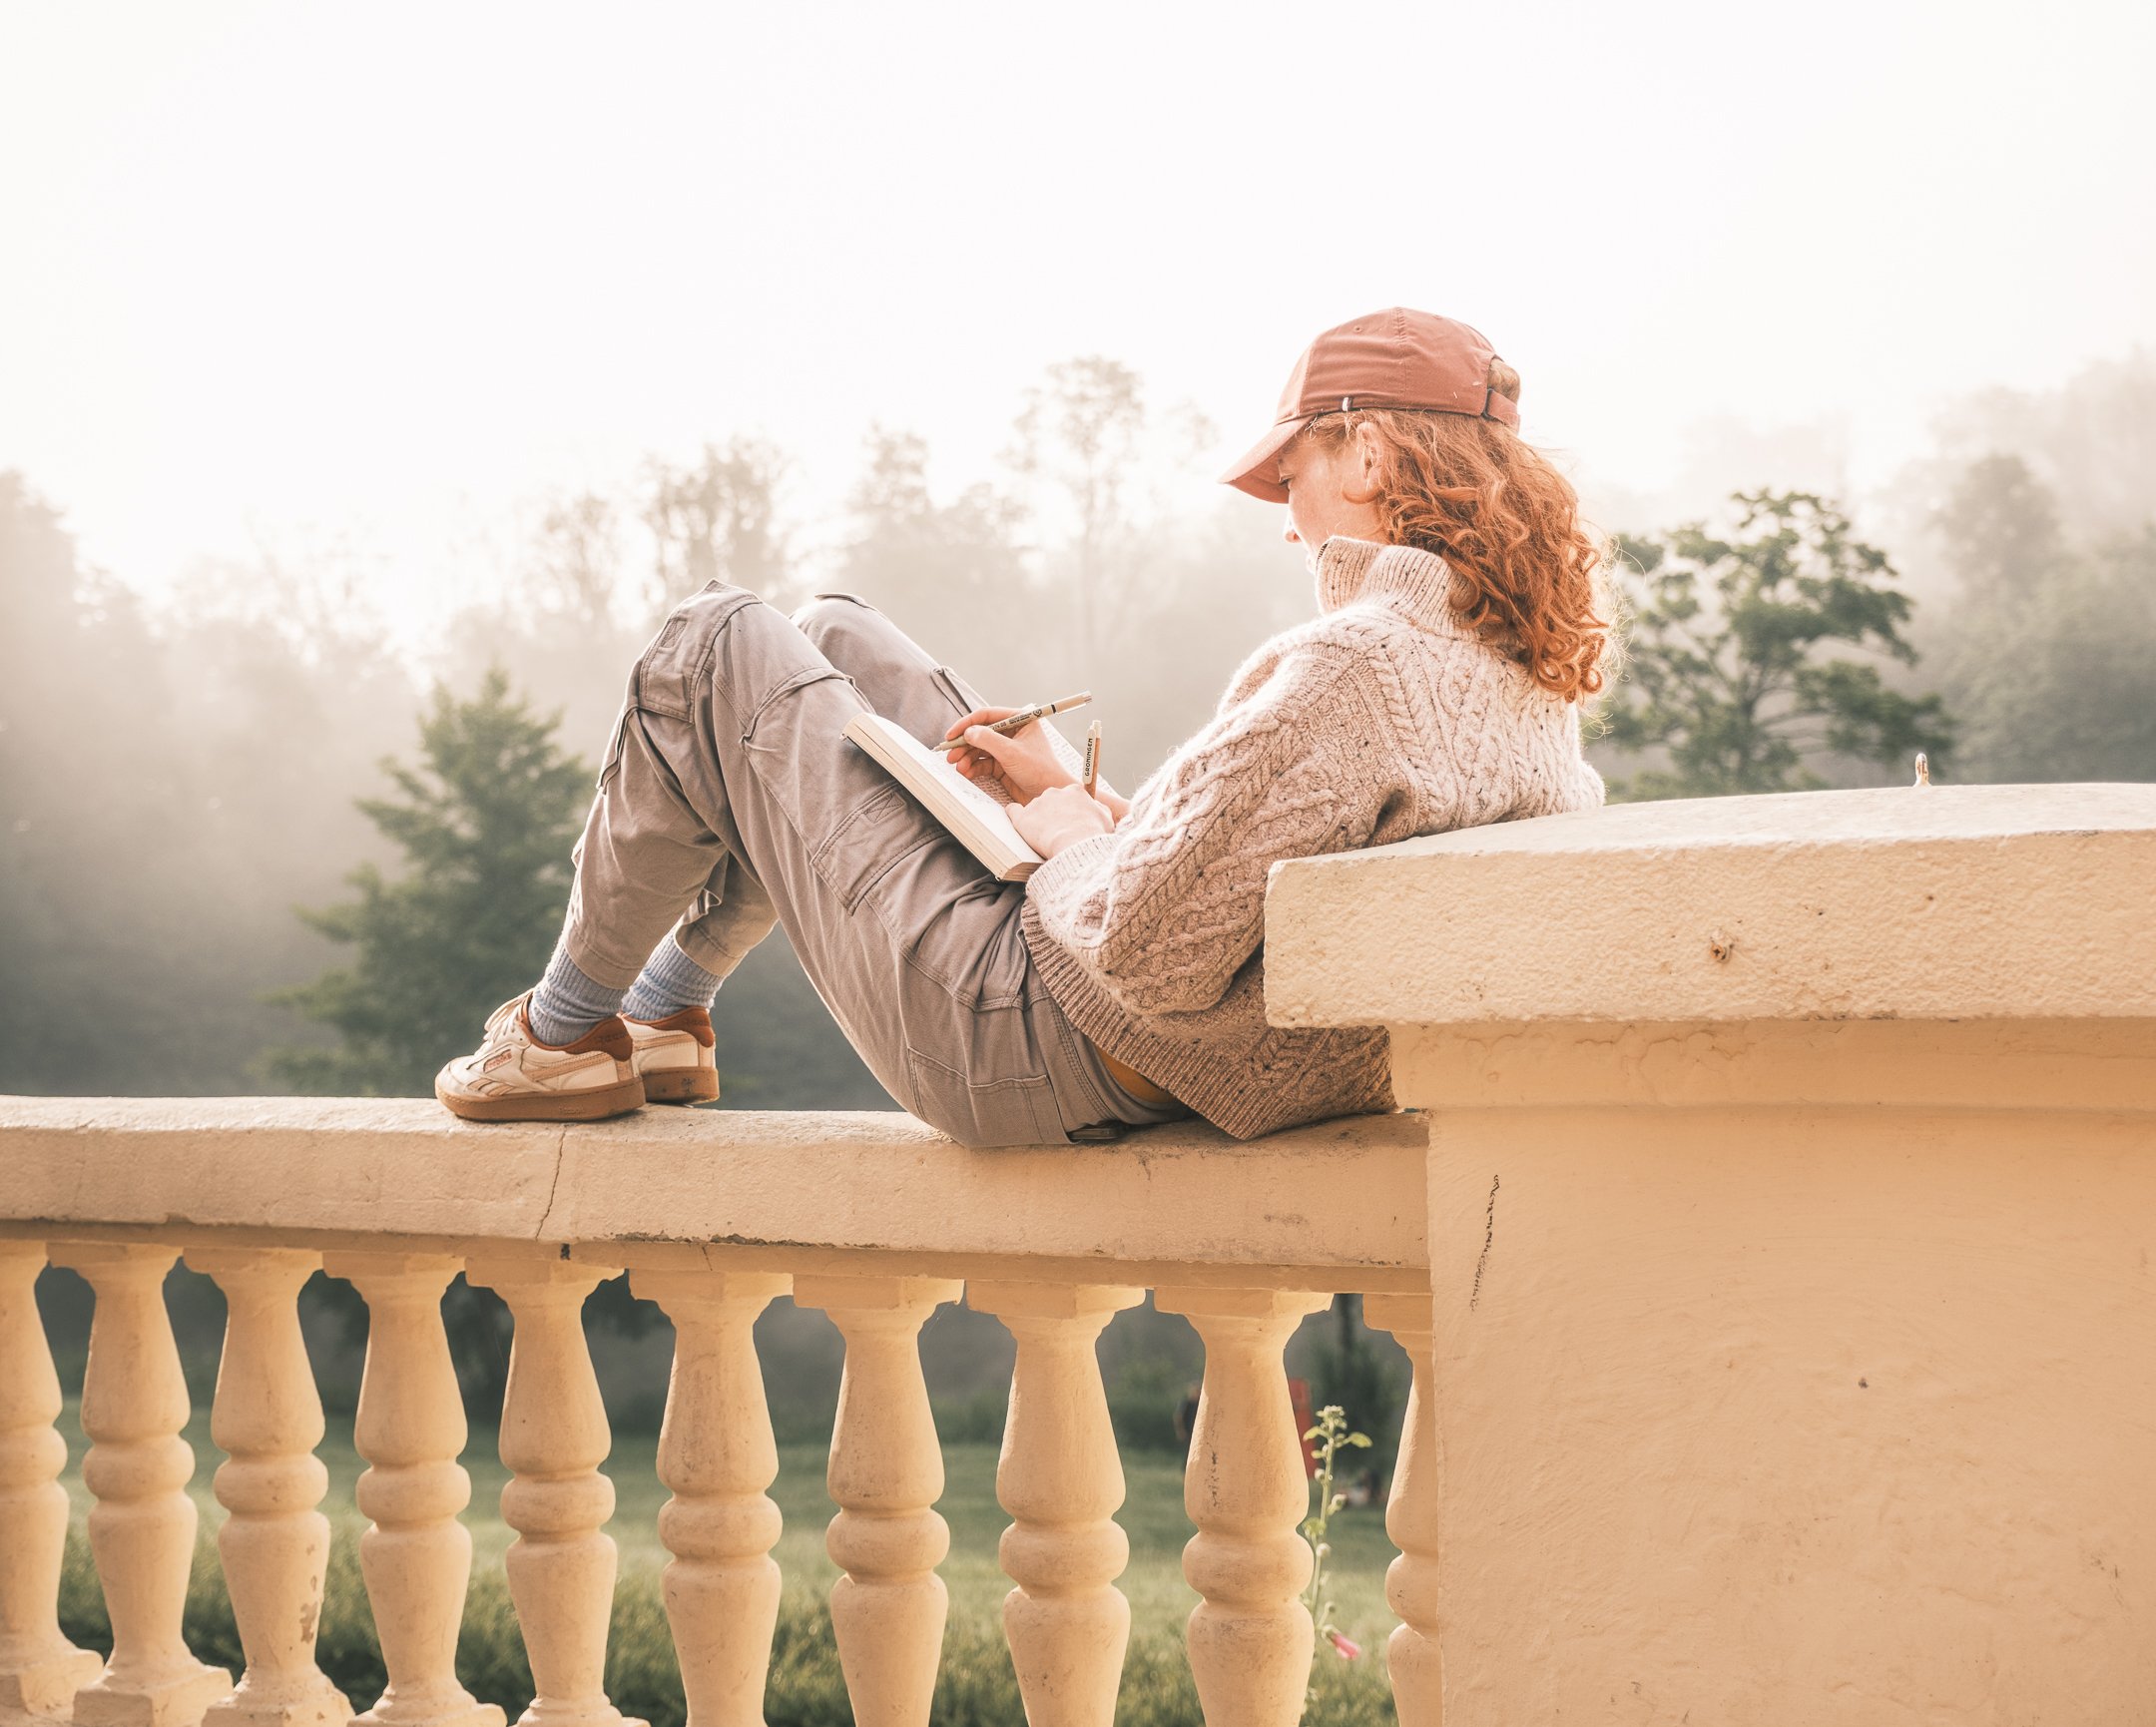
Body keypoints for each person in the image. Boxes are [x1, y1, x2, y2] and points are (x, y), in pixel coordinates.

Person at [435, 307, 1610, 1147]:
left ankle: (562, 1033)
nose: (1285, 519)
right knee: (836, 637)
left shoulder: (1350, 666)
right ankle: (666, 1013)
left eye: (1290, 472)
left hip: (1031, 1035)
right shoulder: (1519, 688)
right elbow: (1251, 882)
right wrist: (1094, 807)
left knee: (712, 641)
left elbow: (1148, 950)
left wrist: (1061, 834)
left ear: (1368, 447)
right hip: (1188, 1052)